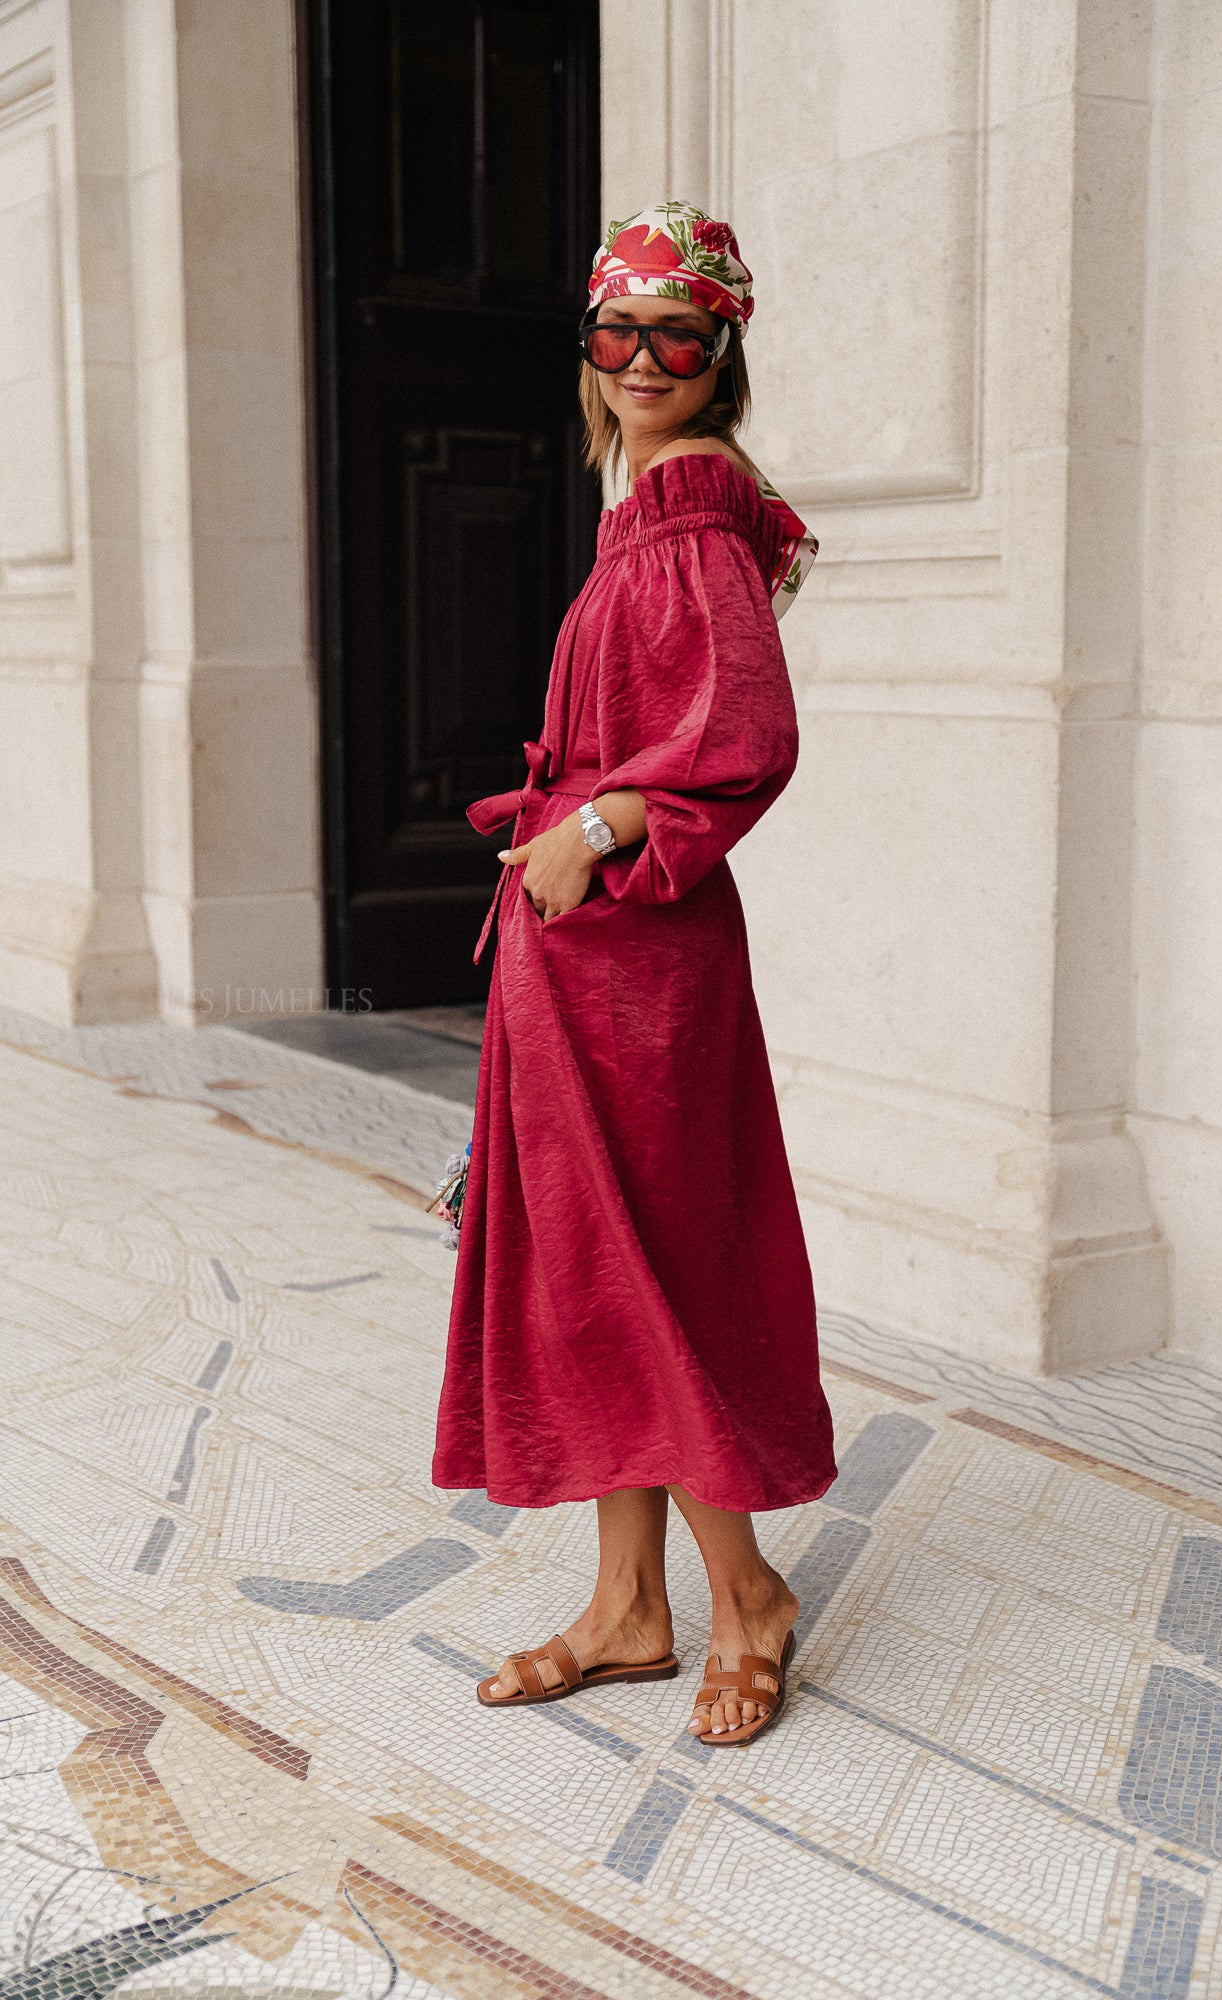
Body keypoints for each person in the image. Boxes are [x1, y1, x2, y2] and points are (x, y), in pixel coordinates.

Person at [432, 201, 836, 1746]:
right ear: (588, 352)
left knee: (655, 1268)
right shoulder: (645, 505)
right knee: (587, 1268)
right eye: (617, 328)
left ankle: (749, 1600)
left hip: (638, 961)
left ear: (721, 350)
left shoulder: (686, 508)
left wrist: (595, 824)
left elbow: (746, 742)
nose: (643, 357)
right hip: (589, 953)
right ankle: (625, 1607)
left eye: (679, 330)